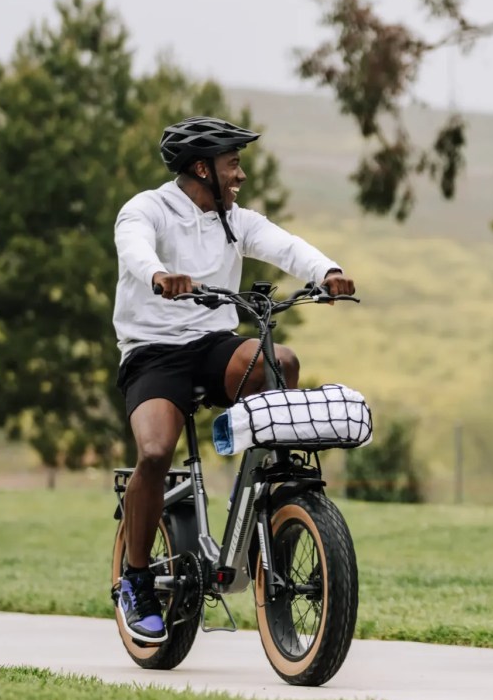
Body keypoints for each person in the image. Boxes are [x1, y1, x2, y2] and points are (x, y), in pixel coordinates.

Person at [111, 116, 355, 643]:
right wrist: (158, 274)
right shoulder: (146, 209)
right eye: (232, 164)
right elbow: (134, 249)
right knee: (154, 453)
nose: (240, 174)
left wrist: (327, 272)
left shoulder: (234, 219)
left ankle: (266, 492)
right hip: (154, 352)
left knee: (279, 363)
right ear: (202, 168)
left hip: (212, 346)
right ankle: (135, 580)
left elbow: (285, 245)